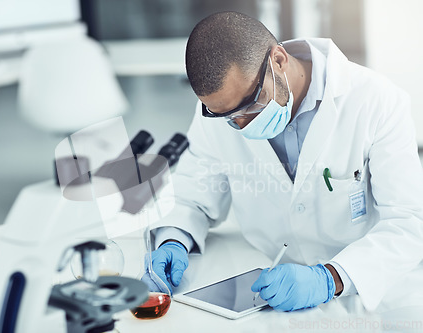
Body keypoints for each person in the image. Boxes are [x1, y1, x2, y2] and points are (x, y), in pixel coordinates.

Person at [145, 11, 423, 312]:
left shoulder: (376, 100)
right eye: (226, 116)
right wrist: (173, 240)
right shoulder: (222, 109)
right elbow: (193, 199)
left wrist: (329, 279)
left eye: (251, 105)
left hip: (364, 297)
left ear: (278, 60)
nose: (241, 124)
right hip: (265, 294)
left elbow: (409, 222)